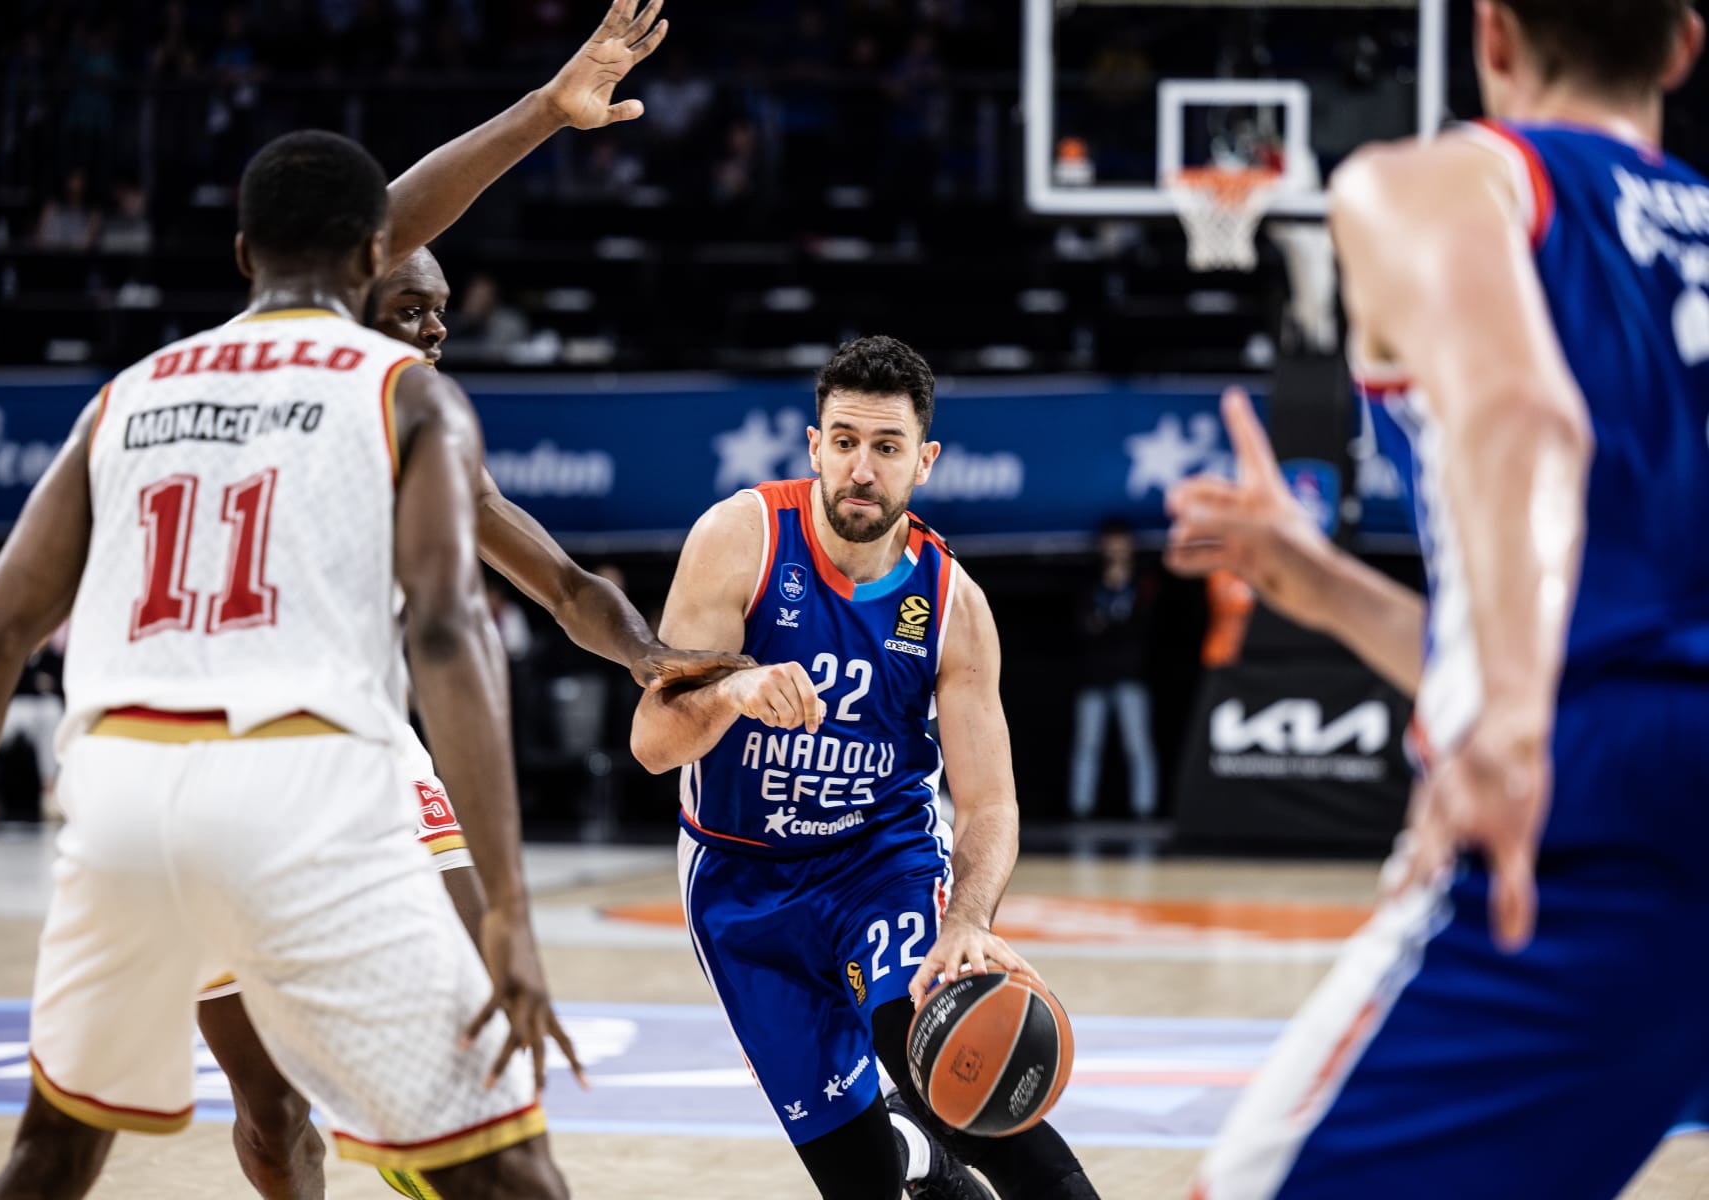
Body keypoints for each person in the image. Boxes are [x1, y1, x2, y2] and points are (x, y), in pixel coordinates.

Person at [0, 129, 570, 1199]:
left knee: (51, 1157)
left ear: (240, 255)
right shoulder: (401, 389)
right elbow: (449, 632)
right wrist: (509, 911)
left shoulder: (127, 396)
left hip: (120, 805)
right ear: (372, 259)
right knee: (506, 1173)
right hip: (294, 790)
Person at [1168, 1, 1709, 1195]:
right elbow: (1606, 613)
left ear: (1495, 36)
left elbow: (1524, 418)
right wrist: (1317, 582)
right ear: (1681, 46)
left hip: (1600, 787)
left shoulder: (1447, 184)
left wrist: (1513, 724)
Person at [204, 243, 748, 1200]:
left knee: (478, 1031)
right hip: (213, 770)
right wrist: (540, 113)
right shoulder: (275, 400)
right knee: (271, 1110)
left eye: (442, 307)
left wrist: (647, 654)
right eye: (411, 306)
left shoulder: (432, 438)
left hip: (363, 749)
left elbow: (568, 587)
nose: (437, 328)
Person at [630, 336, 1098, 1200]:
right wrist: (730, 689)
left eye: (885, 448)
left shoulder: (952, 602)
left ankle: (945, 1141)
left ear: (924, 461)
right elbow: (652, 743)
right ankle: (921, 1165)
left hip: (876, 865)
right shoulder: (739, 540)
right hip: (741, 886)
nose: (860, 467)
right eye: (843, 441)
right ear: (814, 446)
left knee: (954, 1076)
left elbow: (990, 802)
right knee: (862, 1185)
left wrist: (967, 920)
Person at [1068, 519, 1158, 820]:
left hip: (1131, 676)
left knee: (1138, 745)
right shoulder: (1090, 582)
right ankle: (1081, 811)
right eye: (1111, 541)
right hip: (1093, 678)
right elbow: (1083, 626)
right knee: (1087, 747)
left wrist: (1108, 624)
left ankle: (1144, 810)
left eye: (1122, 541)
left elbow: (1145, 626)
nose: (1116, 548)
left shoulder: (1143, 582)